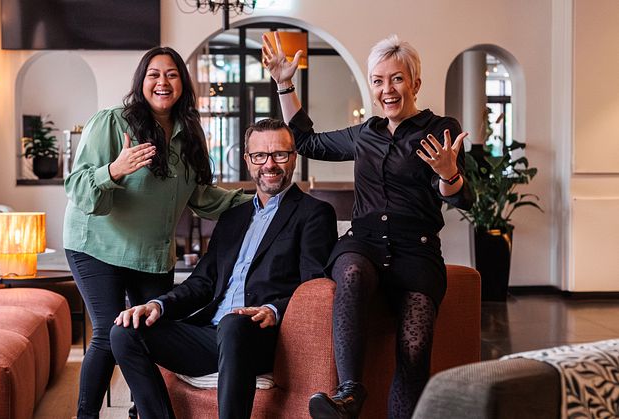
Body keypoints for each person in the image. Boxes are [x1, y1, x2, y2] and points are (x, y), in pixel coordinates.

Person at [262, 33, 473, 419]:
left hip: (417, 252)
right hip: (364, 245)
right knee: (353, 271)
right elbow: (306, 141)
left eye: (396, 79)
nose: (386, 89)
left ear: (415, 83)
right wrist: (284, 85)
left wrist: (448, 174)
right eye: (378, 80)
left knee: (413, 350)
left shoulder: (439, 129)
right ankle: (348, 394)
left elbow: (461, 198)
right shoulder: (366, 134)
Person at [63, 46, 249, 419]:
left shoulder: (190, 134)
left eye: (171, 74)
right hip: (97, 244)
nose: (162, 82)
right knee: (107, 331)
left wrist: (253, 200)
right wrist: (113, 170)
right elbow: (77, 186)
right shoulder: (113, 122)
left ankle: (141, 412)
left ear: (182, 82)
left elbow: (200, 197)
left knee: (153, 331)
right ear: (141, 82)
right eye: (154, 75)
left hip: (150, 253)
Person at [109, 118, 338, 419]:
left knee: (233, 323)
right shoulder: (233, 217)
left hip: (261, 337)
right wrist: (156, 305)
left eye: (279, 154)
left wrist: (272, 309)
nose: (270, 164)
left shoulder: (314, 214)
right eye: (259, 156)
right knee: (124, 332)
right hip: (211, 335)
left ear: (294, 156)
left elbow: (314, 285)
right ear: (247, 160)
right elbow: (202, 282)